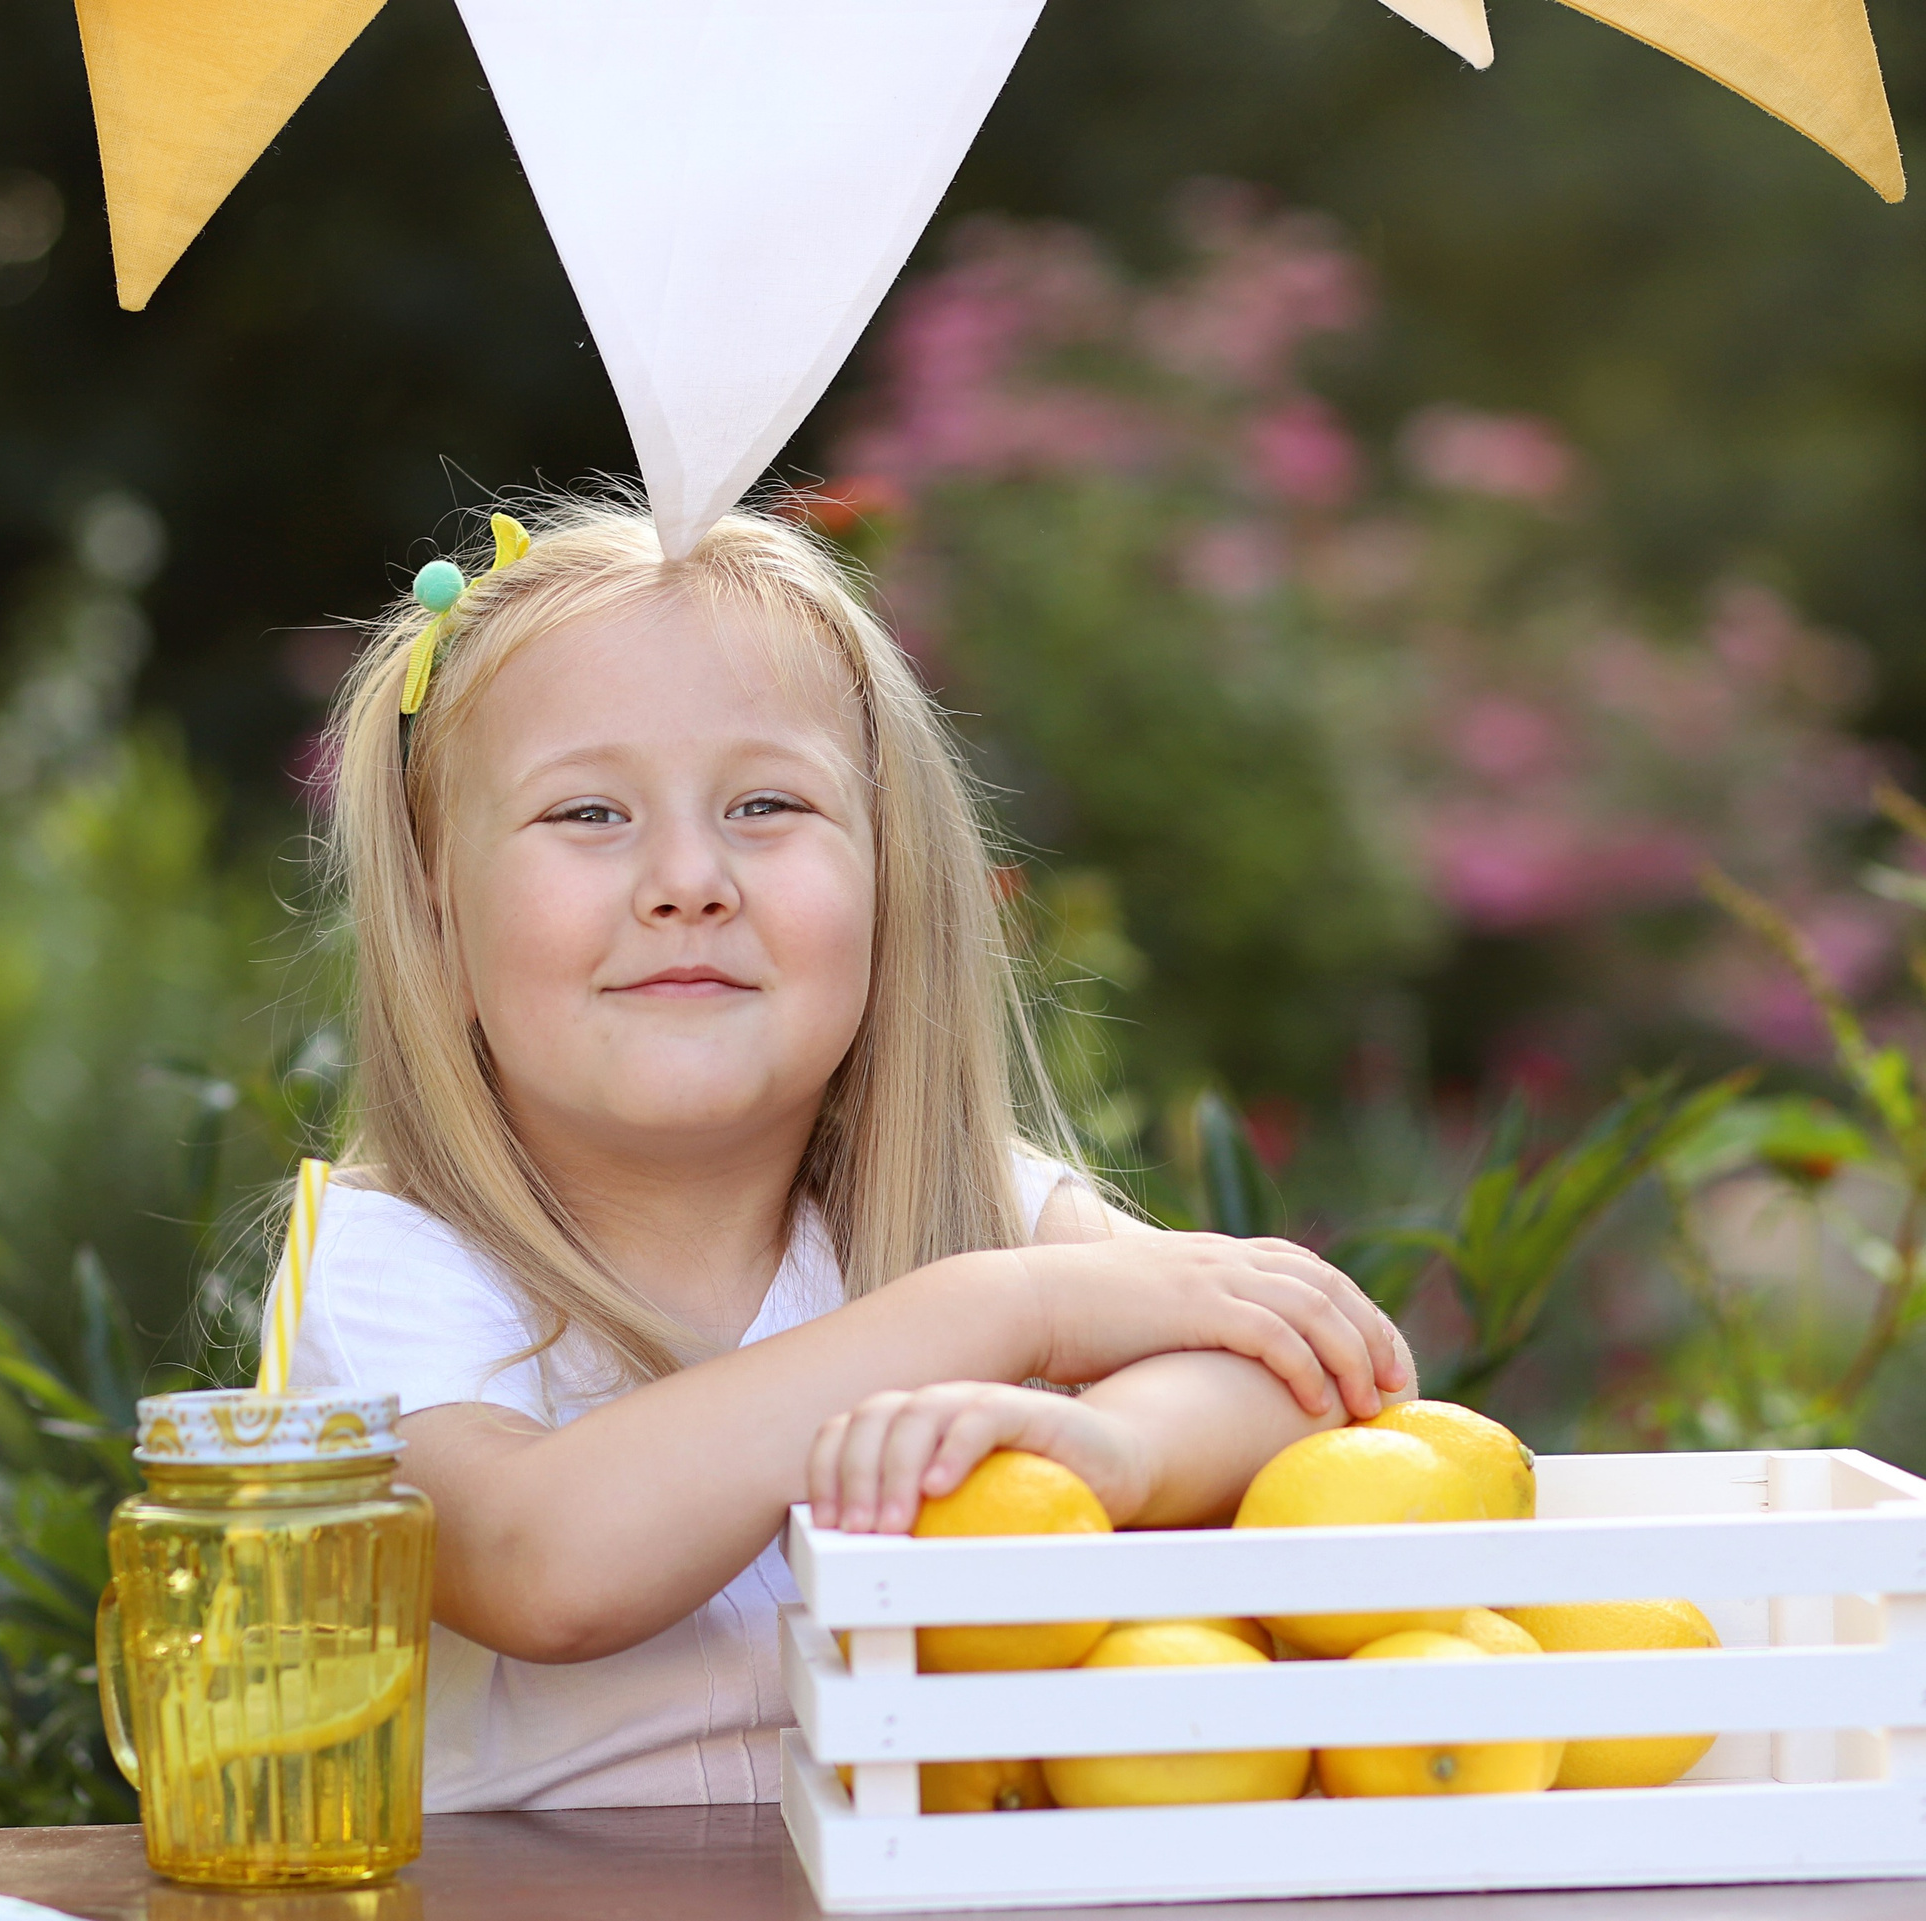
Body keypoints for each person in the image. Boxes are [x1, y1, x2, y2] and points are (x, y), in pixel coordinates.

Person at [285, 499, 1412, 1810]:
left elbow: (1318, 1369)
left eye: (768, 802)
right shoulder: (393, 1266)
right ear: (437, 920)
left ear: (892, 883)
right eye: (588, 812)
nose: (689, 877)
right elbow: (542, 1562)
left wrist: (1112, 1452)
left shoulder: (975, 1204)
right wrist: (992, 1311)